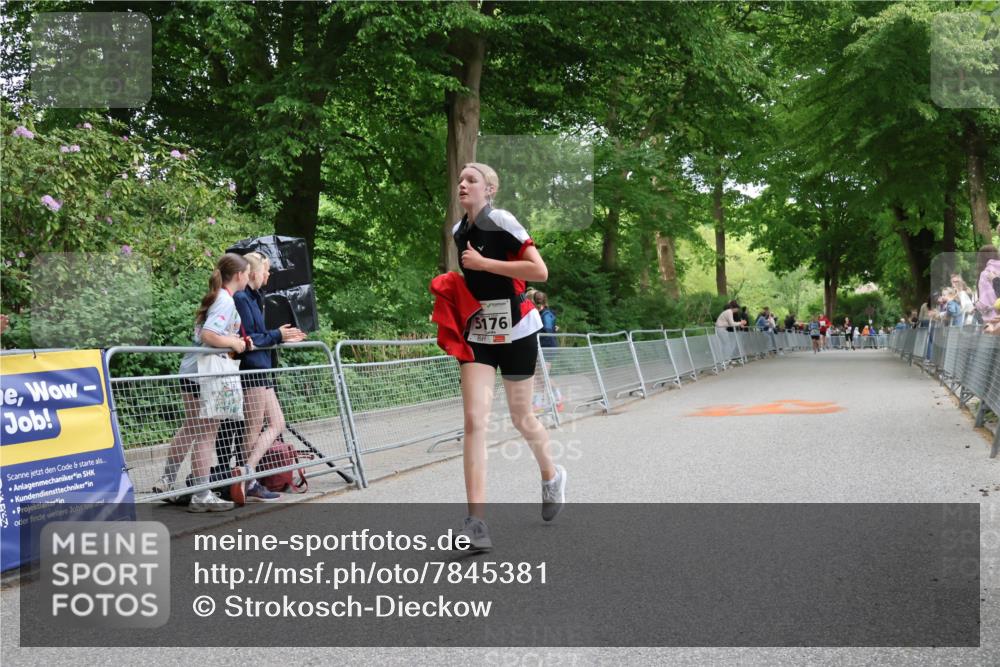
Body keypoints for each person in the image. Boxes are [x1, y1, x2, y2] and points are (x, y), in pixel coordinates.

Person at [448, 162, 564, 551]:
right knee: (473, 420)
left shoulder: (501, 220)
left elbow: (539, 271)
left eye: (472, 180)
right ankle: (476, 524)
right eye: (461, 179)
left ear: (490, 189)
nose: (462, 184)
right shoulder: (458, 231)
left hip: (516, 331)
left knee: (521, 416)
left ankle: (551, 476)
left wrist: (485, 264)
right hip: (479, 334)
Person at [153, 253, 251, 512]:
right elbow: (210, 334)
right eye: (248, 273)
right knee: (207, 433)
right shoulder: (225, 301)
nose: (249, 277)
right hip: (205, 374)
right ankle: (201, 494)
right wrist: (235, 342)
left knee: (191, 428)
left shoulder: (216, 297)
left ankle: (167, 480)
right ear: (239, 275)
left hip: (191, 371)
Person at [230, 252, 307, 504]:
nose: (268, 275)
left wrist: (281, 336)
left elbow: (260, 335)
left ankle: (247, 471)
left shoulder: (256, 297)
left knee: (277, 423)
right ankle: (246, 478)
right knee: (252, 429)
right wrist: (277, 335)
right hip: (252, 368)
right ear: (253, 273)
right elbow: (249, 338)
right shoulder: (242, 298)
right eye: (266, 270)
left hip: (263, 367)